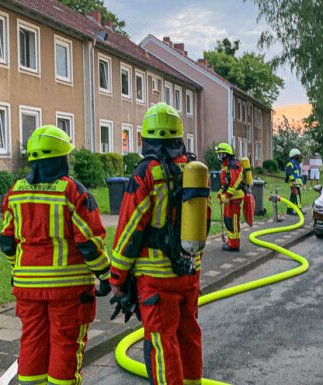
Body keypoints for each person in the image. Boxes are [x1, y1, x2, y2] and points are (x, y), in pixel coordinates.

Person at [0, 125, 112, 385]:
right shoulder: (73, 192)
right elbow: (89, 243)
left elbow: (7, 241)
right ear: (62, 158)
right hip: (67, 290)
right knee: (65, 345)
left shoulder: (16, 191)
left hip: (27, 289)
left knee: (32, 343)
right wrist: (106, 275)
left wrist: (19, 271)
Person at [110, 103, 203, 385]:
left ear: (145, 138)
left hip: (156, 277)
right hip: (189, 271)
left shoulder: (146, 172)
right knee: (188, 335)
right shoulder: (191, 168)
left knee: (162, 345)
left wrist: (117, 277)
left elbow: (129, 229)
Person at [215, 142, 244, 252]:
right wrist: (220, 194)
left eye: (222, 155)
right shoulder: (225, 166)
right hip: (229, 199)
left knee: (233, 222)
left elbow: (235, 182)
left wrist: (227, 195)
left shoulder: (234, 164)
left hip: (234, 199)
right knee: (228, 220)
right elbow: (225, 184)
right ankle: (230, 242)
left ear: (227, 154)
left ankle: (235, 244)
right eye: (219, 155)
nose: (220, 157)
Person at [284, 148, 303, 215]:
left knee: (293, 197)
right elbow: (290, 172)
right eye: (297, 155)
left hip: (296, 183)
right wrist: (292, 180)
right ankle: (299, 210)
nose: (298, 157)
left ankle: (289, 210)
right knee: (297, 196)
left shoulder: (295, 163)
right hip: (293, 183)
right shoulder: (290, 163)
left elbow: (297, 173)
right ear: (294, 156)